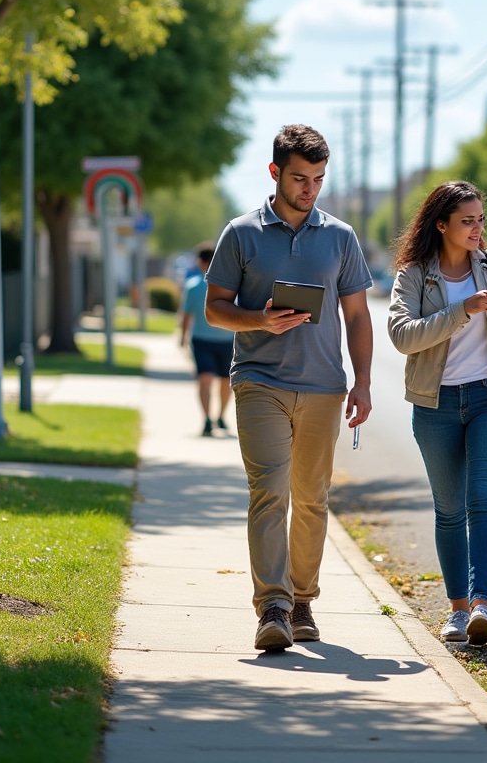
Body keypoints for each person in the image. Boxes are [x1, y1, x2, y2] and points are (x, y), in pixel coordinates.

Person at [205, 124, 373, 652]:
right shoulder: (241, 233)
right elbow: (214, 307)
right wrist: (259, 320)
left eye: (319, 179)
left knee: (312, 499)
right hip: (259, 382)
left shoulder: (340, 237)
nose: (310, 189)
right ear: (275, 172)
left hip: (324, 386)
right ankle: (272, 608)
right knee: (269, 492)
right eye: (300, 178)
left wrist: (362, 382)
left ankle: (303, 602)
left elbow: (358, 317)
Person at [387, 181, 487, 646]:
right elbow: (403, 336)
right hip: (435, 404)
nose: (476, 228)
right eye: (467, 220)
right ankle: (458, 610)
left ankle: (483, 605)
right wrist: (461, 310)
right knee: (449, 511)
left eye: (480, 219)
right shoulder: (413, 275)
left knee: (483, 500)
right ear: (441, 223)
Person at [180, 242, 235, 437]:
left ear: (199, 261)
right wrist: (183, 337)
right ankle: (206, 420)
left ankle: (219, 416)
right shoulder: (193, 286)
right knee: (206, 379)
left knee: (225, 381)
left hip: (227, 340)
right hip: (202, 340)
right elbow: (186, 315)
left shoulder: (231, 285)